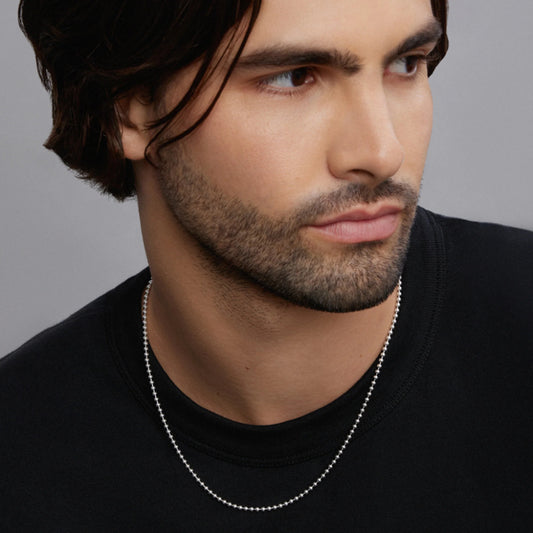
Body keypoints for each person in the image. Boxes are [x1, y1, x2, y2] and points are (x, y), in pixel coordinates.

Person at [1, 0, 532, 531]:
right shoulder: (22, 449)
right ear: (129, 111)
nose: (382, 152)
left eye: (405, 64)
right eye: (294, 77)